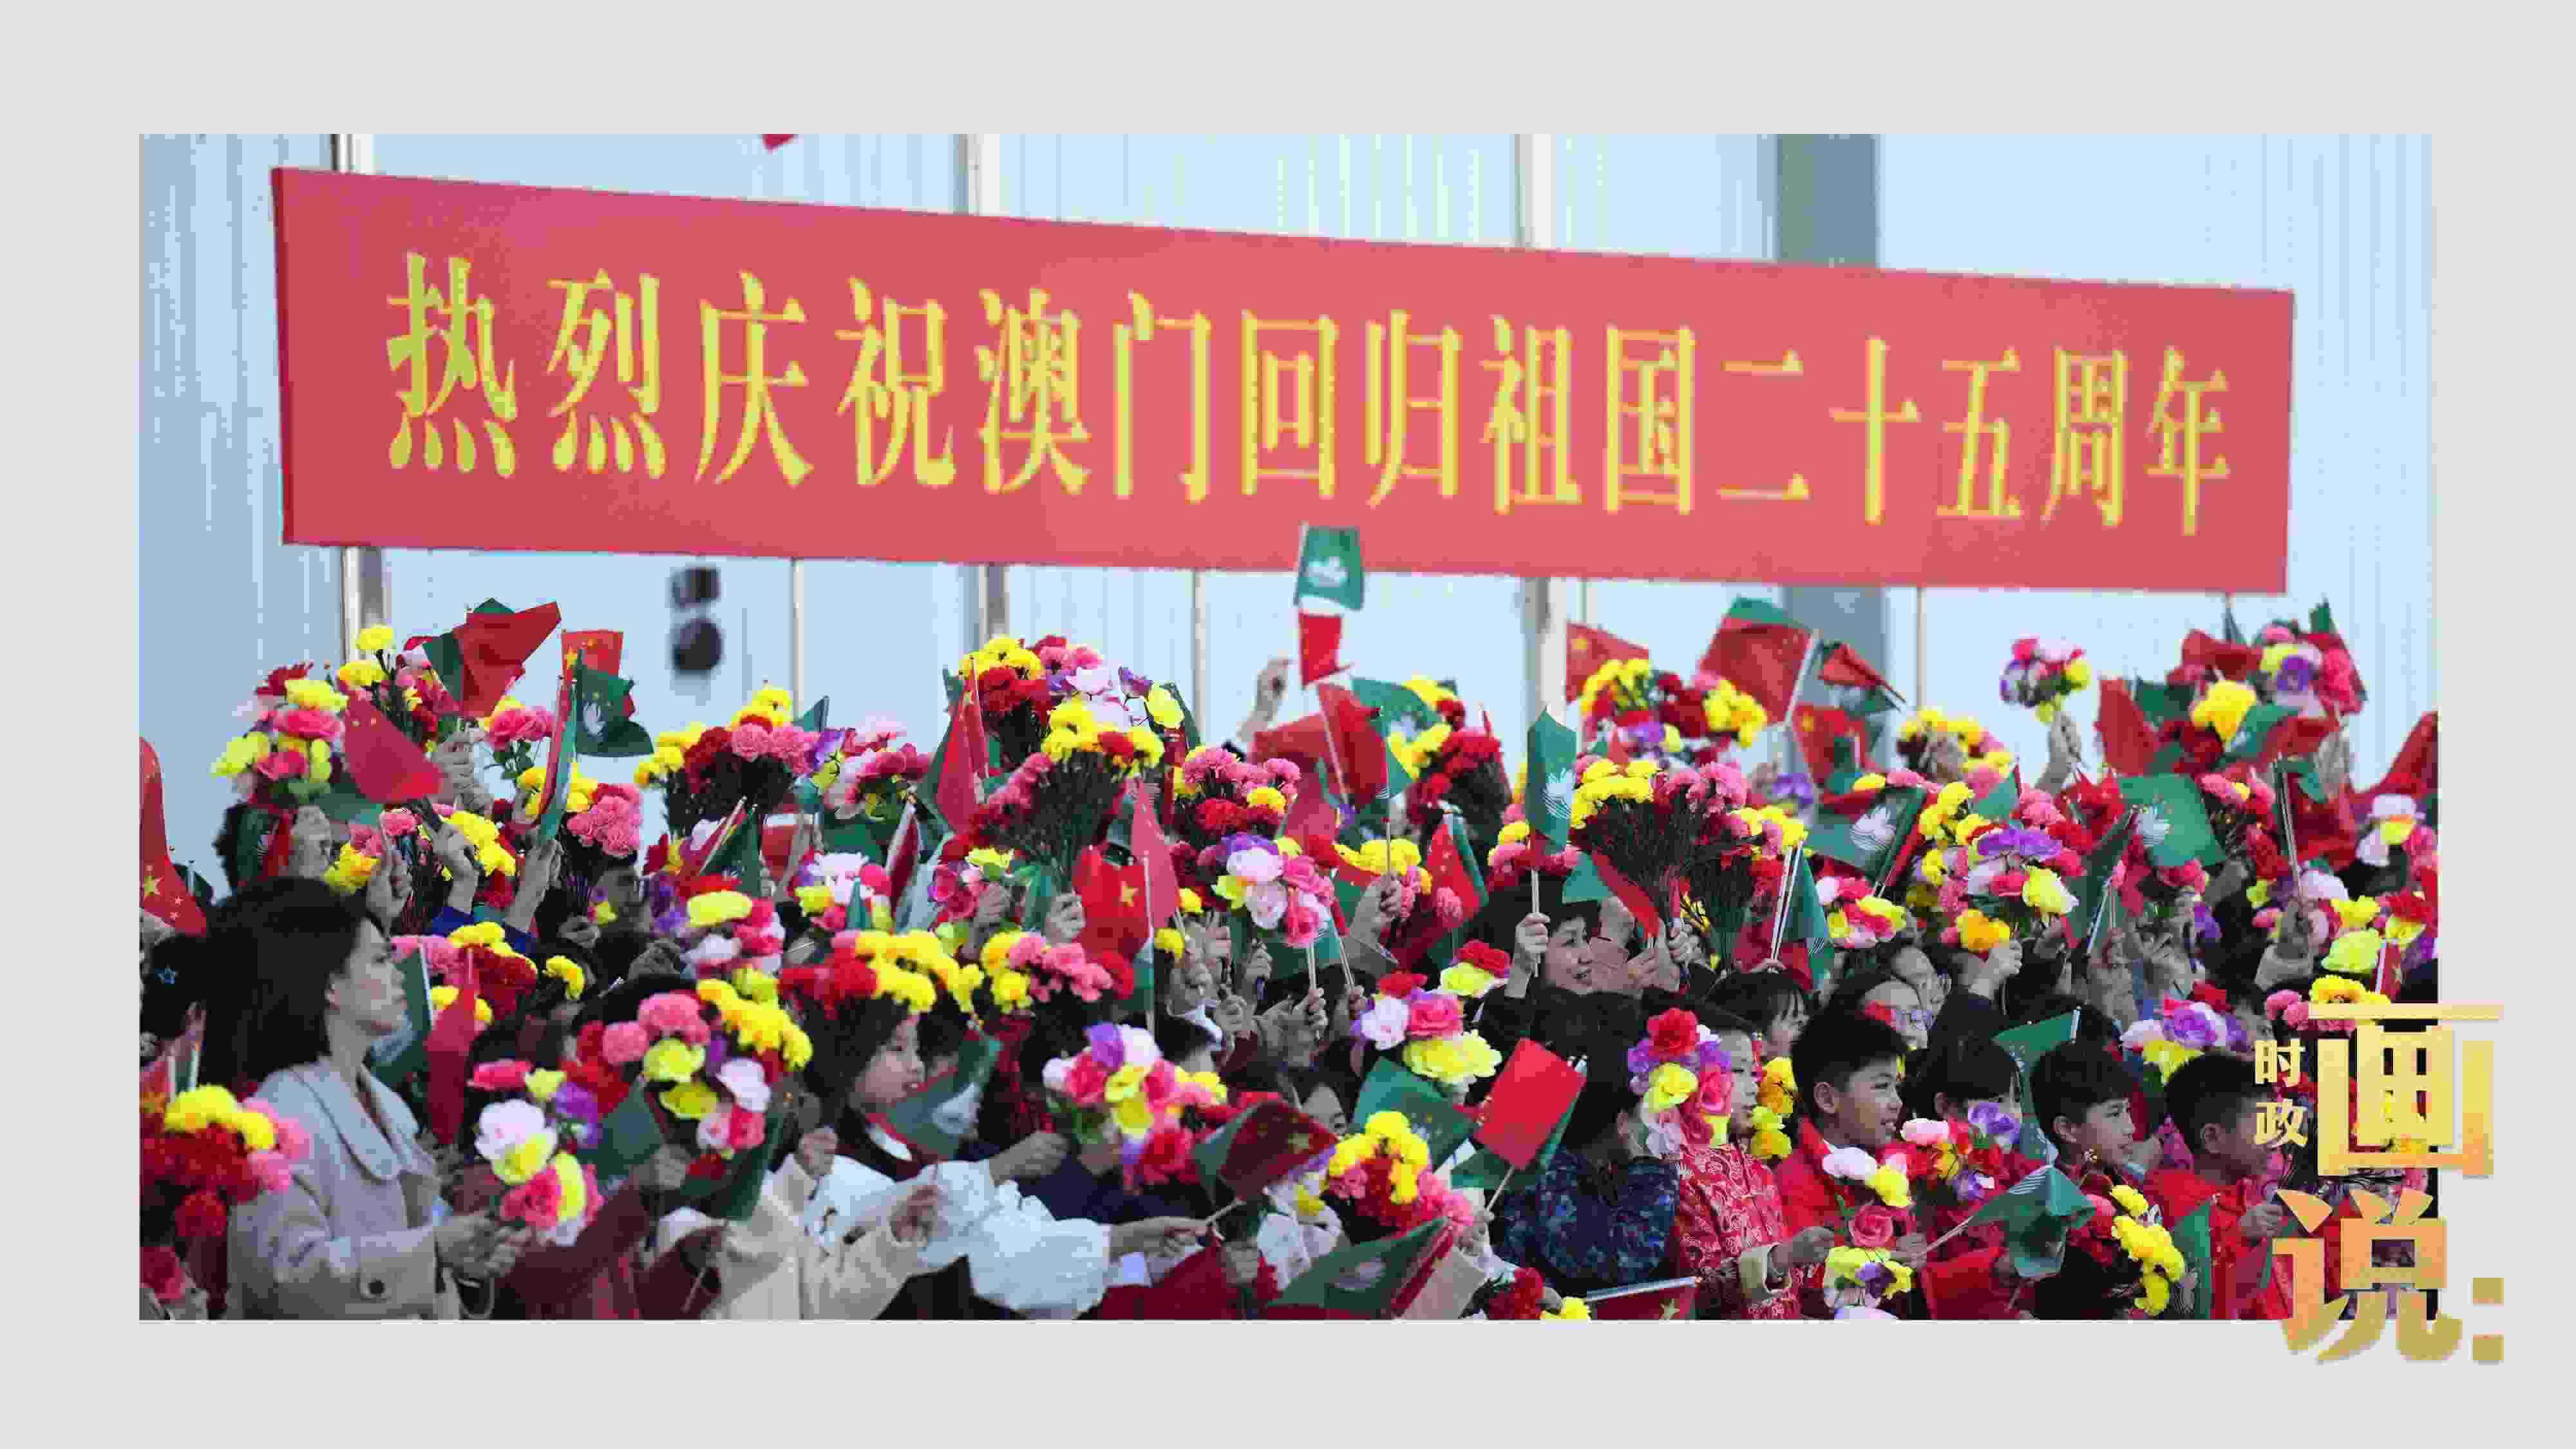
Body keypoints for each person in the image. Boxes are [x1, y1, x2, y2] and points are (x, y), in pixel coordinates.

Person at [212, 878, 521, 1318]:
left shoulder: (388, 1106)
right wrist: (433, 1251)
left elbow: (420, 1248)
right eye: (380, 959)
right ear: (330, 986)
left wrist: (464, 1261)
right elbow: (284, 1281)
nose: (399, 975)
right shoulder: (275, 1115)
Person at [1668, 1008, 1834, 1319]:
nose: (1754, 1087)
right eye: (1739, 1071)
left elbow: (1788, 1287)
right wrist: (1780, 1258)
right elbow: (1696, 1291)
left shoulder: (1758, 1169)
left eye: (1754, 1072)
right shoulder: (1677, 1172)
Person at [1489, 1041, 1682, 1298]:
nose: (1666, 1129)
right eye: (1656, 1117)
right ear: (1622, 1122)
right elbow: (1626, 1261)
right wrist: (1655, 1169)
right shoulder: (1554, 1176)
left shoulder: (1596, 1171)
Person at [2145, 1054, 2293, 1320]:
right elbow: (2189, 1304)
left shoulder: (2248, 1197)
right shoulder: (2173, 1206)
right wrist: (2240, 1238)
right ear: (2212, 1138)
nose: (2275, 1138)